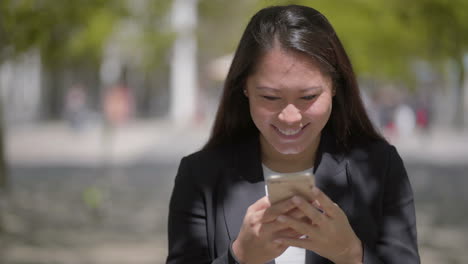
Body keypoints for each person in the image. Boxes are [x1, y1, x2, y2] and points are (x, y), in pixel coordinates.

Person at [167, 5, 420, 264]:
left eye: (308, 96)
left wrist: (352, 254)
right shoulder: (200, 176)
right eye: (270, 97)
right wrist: (239, 257)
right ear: (245, 88)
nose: (290, 117)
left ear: (334, 86)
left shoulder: (379, 167)